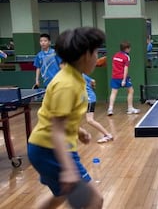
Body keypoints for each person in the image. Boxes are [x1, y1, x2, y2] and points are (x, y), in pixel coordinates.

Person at [27, 27, 105, 209]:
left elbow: (59, 117)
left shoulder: (75, 78)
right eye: (96, 52)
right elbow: (57, 129)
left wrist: (78, 131)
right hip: (49, 149)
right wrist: (69, 169)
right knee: (95, 200)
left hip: (47, 148)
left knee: (60, 196)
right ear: (86, 55)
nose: (97, 57)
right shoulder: (66, 85)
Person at [107, 41, 140, 116]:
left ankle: (110, 109)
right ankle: (130, 108)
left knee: (113, 93)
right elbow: (125, 68)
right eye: (129, 48)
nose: (130, 49)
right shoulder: (126, 57)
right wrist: (124, 80)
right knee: (131, 91)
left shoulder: (115, 55)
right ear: (126, 49)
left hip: (114, 76)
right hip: (122, 77)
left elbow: (114, 66)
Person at [83, 73, 114, 143]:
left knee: (90, 120)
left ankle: (107, 135)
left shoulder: (76, 75)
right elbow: (92, 80)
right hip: (88, 97)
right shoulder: (80, 74)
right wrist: (92, 87)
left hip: (89, 99)